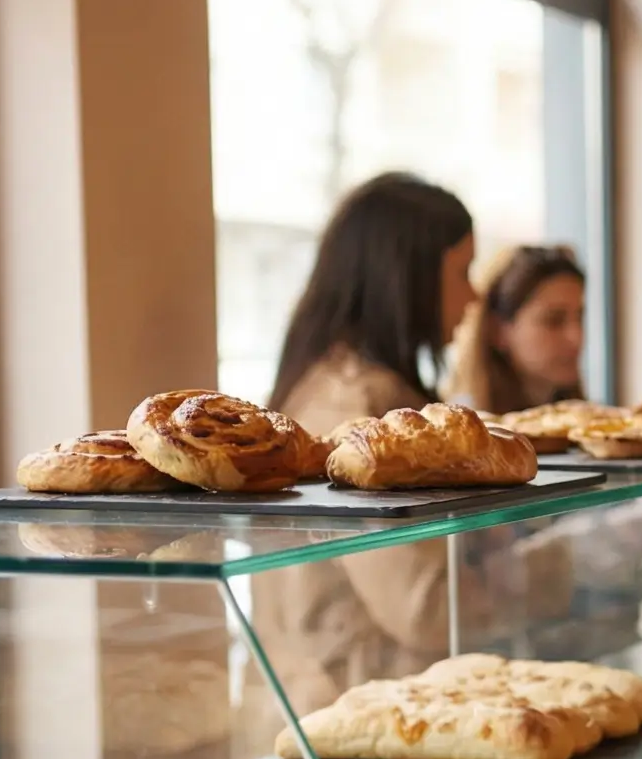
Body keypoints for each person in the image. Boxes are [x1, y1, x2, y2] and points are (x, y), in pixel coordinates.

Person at [249, 172, 485, 713]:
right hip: (362, 715)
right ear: (407, 277)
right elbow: (425, 606)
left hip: (359, 710)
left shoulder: (348, 389)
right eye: (461, 271)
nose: (473, 296)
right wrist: (554, 571)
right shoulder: (356, 410)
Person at [445, 243, 588, 415]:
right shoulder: (461, 426)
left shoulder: (595, 428)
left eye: (580, 317)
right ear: (498, 331)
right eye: (553, 321)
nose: (576, 337)